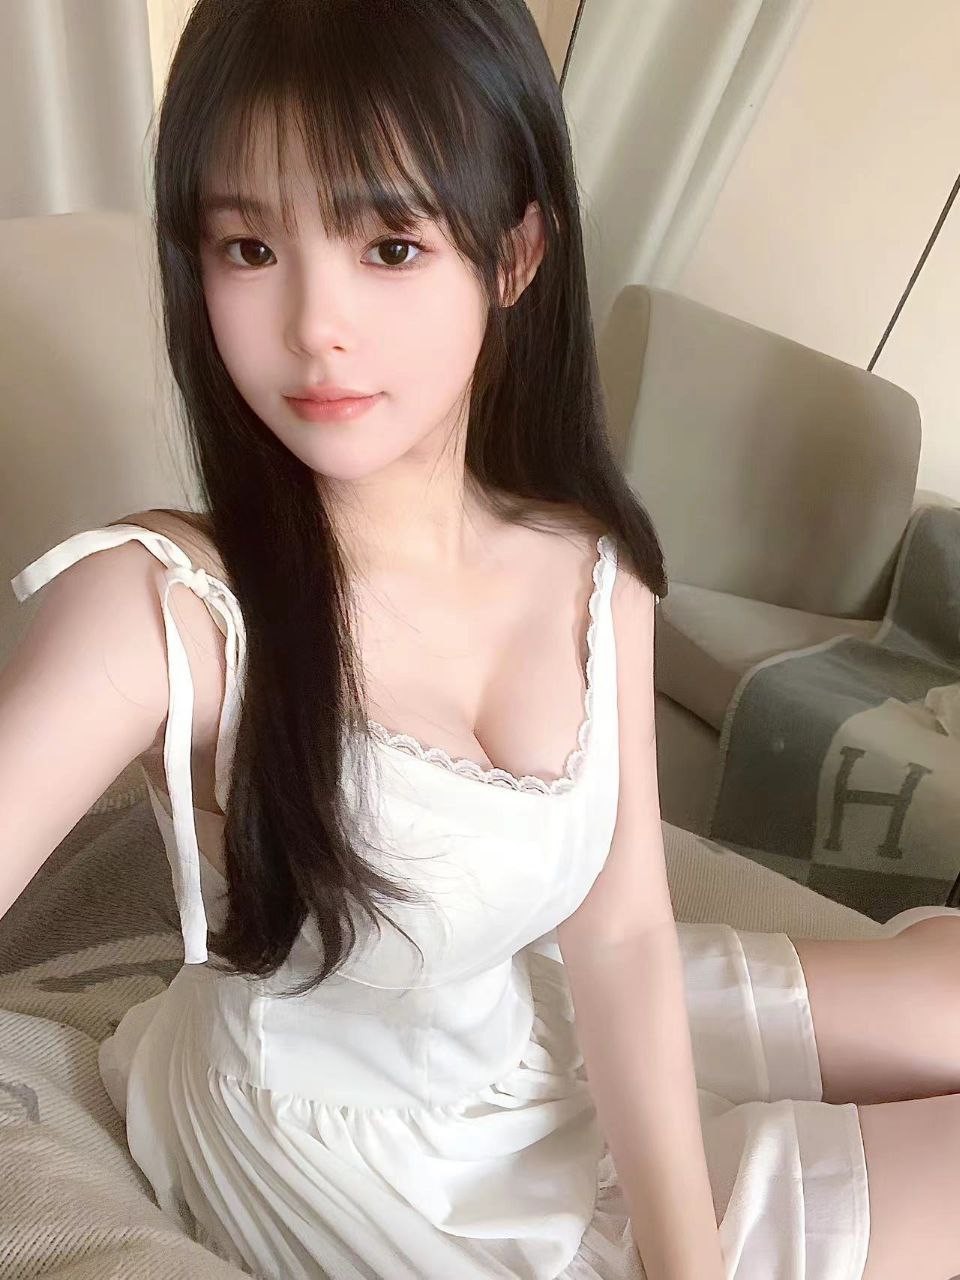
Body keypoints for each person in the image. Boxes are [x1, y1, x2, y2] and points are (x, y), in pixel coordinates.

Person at [2, 2, 959, 1277]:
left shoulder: (593, 564)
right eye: (250, 246)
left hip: (521, 1011)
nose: (314, 323)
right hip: (351, 1146)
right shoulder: (165, 603)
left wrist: (686, 1255)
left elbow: (620, 934)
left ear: (514, 256)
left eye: (389, 244)